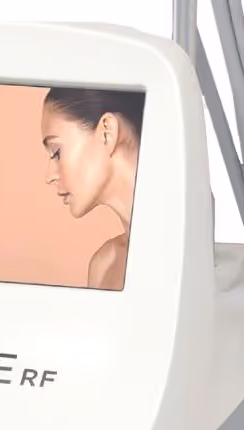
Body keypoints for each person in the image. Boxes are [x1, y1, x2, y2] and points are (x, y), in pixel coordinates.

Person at [40, 87, 145, 290]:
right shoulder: (104, 266)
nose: (49, 176)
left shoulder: (193, 251)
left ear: (107, 133)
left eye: (56, 152)